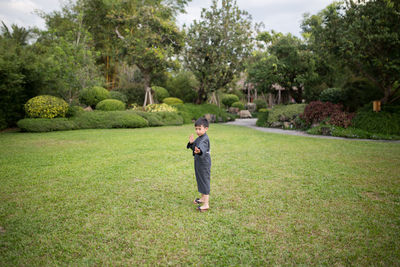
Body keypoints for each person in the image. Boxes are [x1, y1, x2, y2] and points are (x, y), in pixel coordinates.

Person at [187, 117, 211, 212]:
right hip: (199, 163)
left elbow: (202, 148)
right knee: (200, 179)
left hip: (204, 163)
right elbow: (195, 147)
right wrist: (192, 143)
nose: (197, 131)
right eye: (196, 129)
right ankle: (202, 198)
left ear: (206, 129)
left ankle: (206, 204)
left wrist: (199, 151)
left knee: (204, 180)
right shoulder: (200, 137)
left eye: (199, 129)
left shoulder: (205, 139)